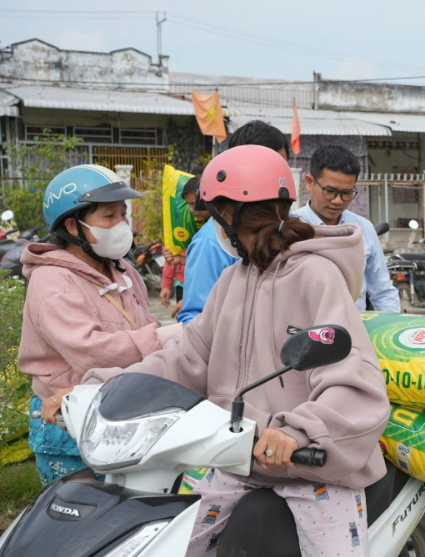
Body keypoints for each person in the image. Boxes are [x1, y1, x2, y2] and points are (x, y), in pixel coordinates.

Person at [47, 146, 390, 556]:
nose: (213, 228)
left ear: (233, 214)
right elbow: (186, 358)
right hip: (238, 464)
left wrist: (298, 431)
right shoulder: (235, 278)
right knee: (174, 544)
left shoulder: (316, 276)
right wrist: (103, 391)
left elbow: (353, 380)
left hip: (312, 471)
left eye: (214, 216)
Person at [18, 164, 183, 485]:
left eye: (123, 214)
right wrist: (163, 337)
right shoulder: (52, 281)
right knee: (78, 520)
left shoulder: (122, 271)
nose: (122, 224)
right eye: (109, 217)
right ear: (73, 226)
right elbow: (94, 353)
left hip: (121, 403)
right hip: (67, 418)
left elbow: (142, 324)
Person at [178, 121, 290, 324]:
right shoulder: (212, 243)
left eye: (283, 167)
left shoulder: (288, 230)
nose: (280, 178)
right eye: (269, 168)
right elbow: (194, 320)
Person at [294, 145, 400, 313]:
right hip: (305, 332)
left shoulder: (363, 228)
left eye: (347, 193)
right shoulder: (291, 228)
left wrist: (391, 327)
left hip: (355, 329)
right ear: (309, 182)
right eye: (330, 191)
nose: (337, 201)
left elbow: (382, 291)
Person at [162, 175, 210, 317]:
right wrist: (180, 262)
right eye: (188, 204)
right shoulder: (189, 226)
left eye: (195, 203)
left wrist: (191, 300)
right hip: (186, 284)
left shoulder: (216, 232)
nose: (192, 209)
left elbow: (212, 272)